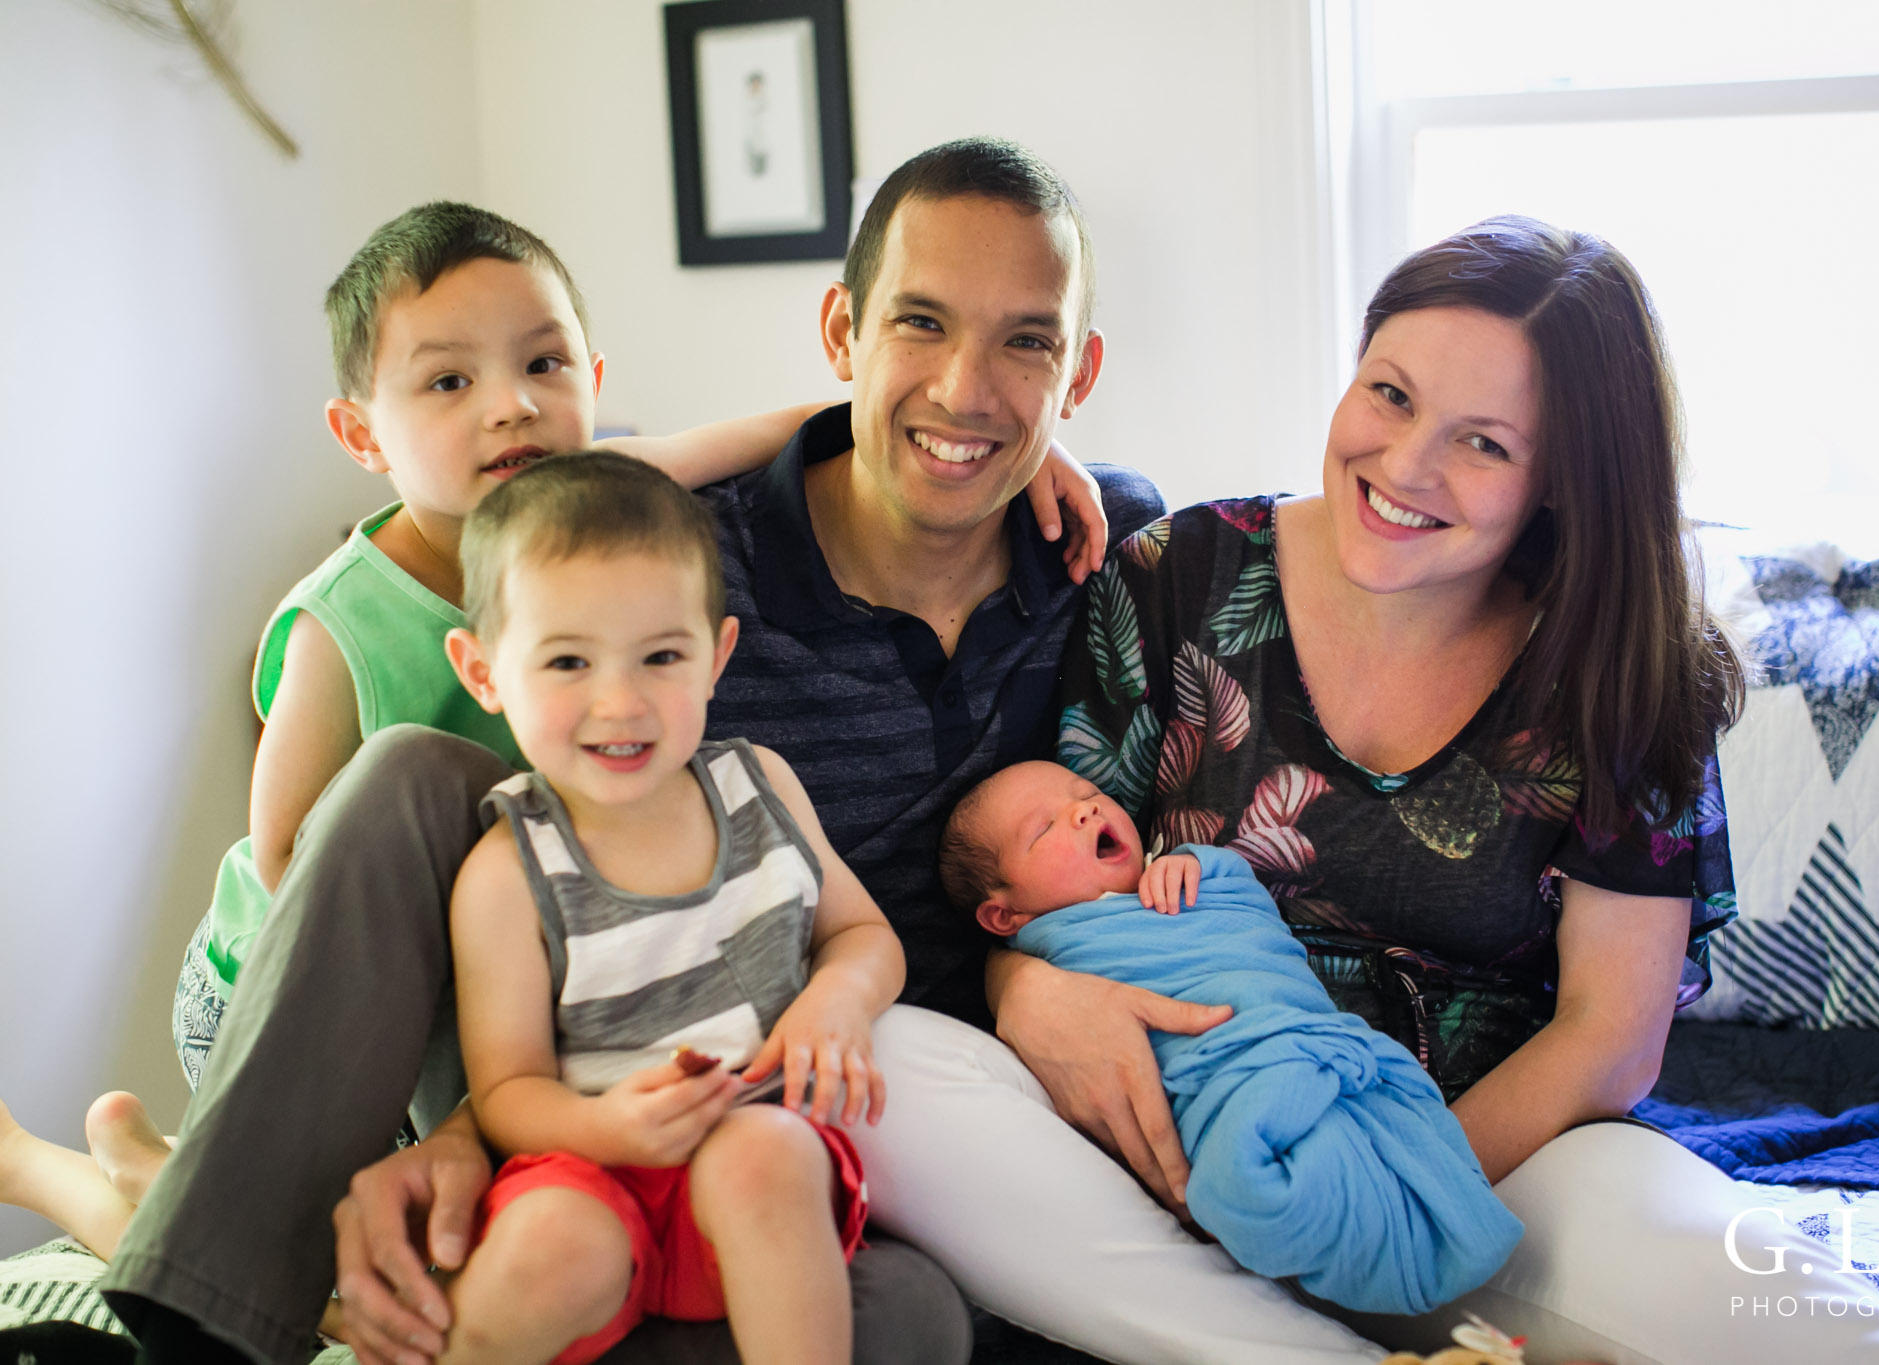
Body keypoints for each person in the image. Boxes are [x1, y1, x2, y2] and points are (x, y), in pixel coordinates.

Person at [92, 137, 1161, 1365]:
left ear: (1076, 370)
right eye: (918, 324)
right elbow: (497, 561)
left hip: (807, 1100)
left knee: (912, 1323)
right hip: (544, 1038)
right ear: (842, 334)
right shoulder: (658, 568)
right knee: (407, 777)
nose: (966, 387)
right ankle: (206, 1310)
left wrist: (1019, 445)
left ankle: (258, 1246)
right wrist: (453, 1137)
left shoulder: (1113, 549)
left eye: (1024, 344)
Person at [845, 215, 1879, 1363]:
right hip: (1169, 1136)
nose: (1406, 465)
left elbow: (1608, 1038)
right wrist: (1028, 994)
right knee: (884, 1069)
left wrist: (1369, 1187)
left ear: (1563, 482)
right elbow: (1045, 872)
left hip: (1478, 1169)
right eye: (1388, 395)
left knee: (1819, 1330)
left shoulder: (1626, 674)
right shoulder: (1177, 575)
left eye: (1483, 444)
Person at [437, 454, 901, 1364]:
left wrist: (835, 998)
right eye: (568, 659)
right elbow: (506, 1091)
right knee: (552, 1245)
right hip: (587, 1163)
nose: (621, 701)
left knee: (760, 1157)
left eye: (661, 656)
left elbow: (864, 934)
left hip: (754, 1164)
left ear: (717, 656)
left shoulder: (759, 787)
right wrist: (604, 1130)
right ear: (485, 671)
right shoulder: (506, 872)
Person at [937, 758, 1524, 1316]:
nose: (1084, 812)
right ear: (1003, 916)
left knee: (1377, 1134)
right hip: (1222, 1081)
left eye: (1087, 795)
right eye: (1044, 828)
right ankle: (1367, 1246)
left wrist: (1192, 863)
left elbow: (1237, 901)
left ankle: (1397, 1225)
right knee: (1257, 1174)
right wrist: (1014, 977)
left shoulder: (1181, 876)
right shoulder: (1049, 947)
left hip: (1289, 1030)